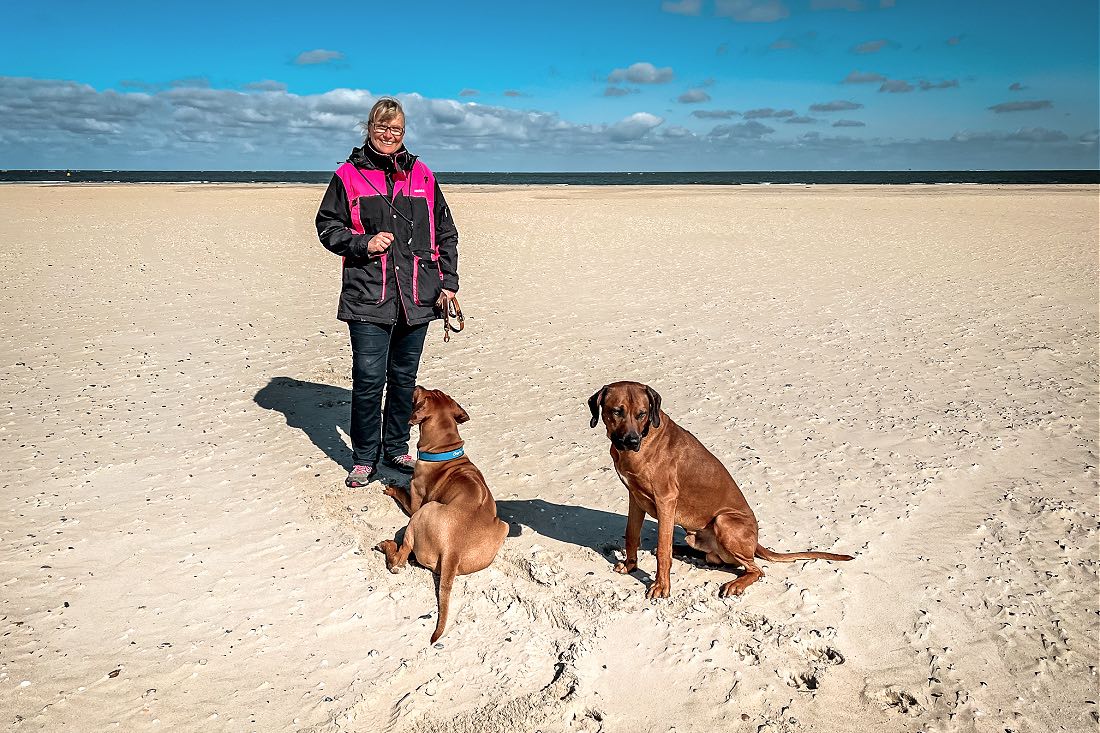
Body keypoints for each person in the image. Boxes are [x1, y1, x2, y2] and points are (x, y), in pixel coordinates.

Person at [315, 98, 459, 487]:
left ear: (404, 132)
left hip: (418, 294)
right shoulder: (348, 175)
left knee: (403, 379)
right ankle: (364, 457)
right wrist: (362, 243)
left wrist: (448, 283)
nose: (389, 135)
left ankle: (395, 445)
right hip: (368, 294)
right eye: (382, 128)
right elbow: (327, 227)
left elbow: (445, 233)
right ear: (369, 128)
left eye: (396, 129)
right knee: (367, 379)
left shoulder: (423, 174)